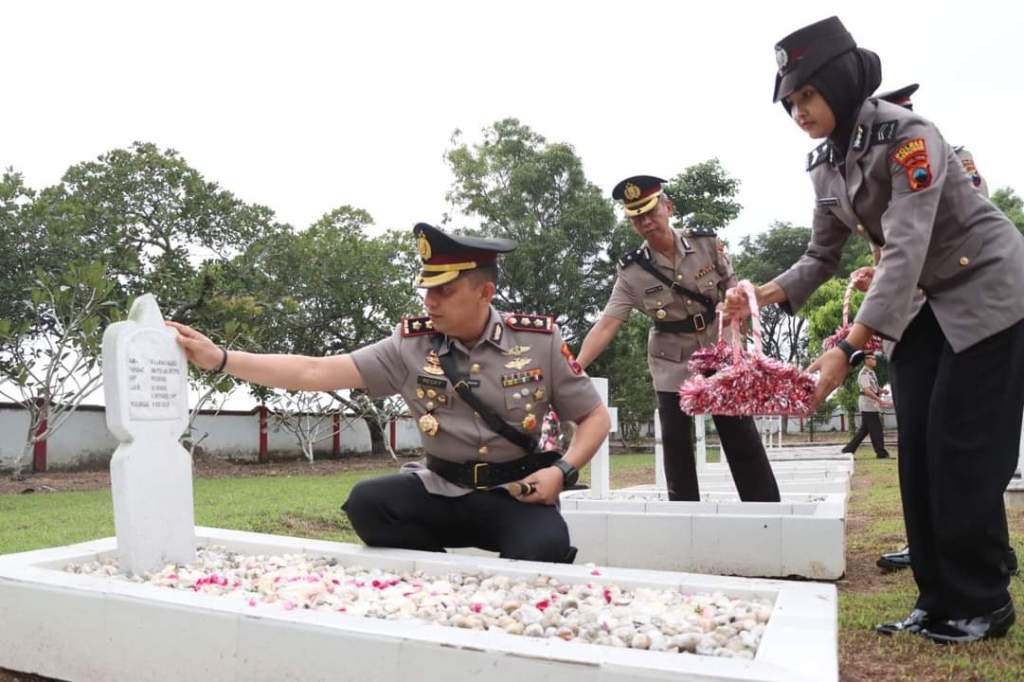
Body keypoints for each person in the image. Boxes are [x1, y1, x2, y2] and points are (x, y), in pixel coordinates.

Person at [725, 16, 1024, 643]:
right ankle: (936, 599)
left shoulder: (909, 136)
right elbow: (820, 255)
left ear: (837, 81)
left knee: (960, 448)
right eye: (789, 103)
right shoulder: (827, 165)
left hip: (988, 292)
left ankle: (983, 601)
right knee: (916, 449)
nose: (799, 112)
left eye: (807, 95)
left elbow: (907, 247)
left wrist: (845, 348)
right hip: (922, 307)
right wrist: (760, 294)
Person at [169, 222, 610, 564]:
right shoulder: (409, 346)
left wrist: (563, 472)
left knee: (546, 549)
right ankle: (443, 583)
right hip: (442, 490)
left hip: (517, 494)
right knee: (368, 504)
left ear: (485, 292)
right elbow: (313, 371)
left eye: (445, 290)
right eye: (427, 290)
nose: (429, 302)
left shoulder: (538, 341)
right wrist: (221, 358)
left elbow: (594, 417)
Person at [871, 83, 1013, 574]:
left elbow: (949, 228)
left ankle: (992, 550)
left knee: (963, 439)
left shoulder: (948, 158)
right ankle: (928, 544)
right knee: (920, 438)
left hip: (961, 305)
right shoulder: (869, 174)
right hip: (910, 315)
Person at [576, 176, 780, 502]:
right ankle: (684, 513)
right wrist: (576, 366)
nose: (646, 222)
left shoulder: (706, 244)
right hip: (672, 361)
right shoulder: (631, 272)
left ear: (668, 208)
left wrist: (738, 346)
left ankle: (767, 509)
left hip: (719, 347)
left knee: (739, 432)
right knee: (675, 441)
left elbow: (733, 292)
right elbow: (607, 323)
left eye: (651, 212)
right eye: (636, 217)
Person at [841, 352, 892, 458]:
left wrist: (882, 391)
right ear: (866, 360)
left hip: (871, 404)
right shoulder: (864, 373)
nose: (875, 360)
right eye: (872, 358)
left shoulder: (871, 372)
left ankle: (848, 449)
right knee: (876, 428)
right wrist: (880, 400)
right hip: (867, 403)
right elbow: (867, 391)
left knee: (864, 430)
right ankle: (881, 453)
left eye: (875, 358)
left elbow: (875, 388)